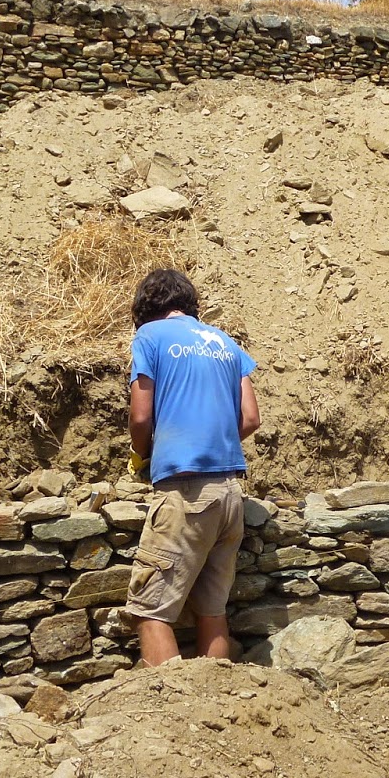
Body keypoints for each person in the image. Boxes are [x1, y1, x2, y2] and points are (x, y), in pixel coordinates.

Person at [125, 269, 261, 666]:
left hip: (185, 491)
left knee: (149, 609)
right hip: (230, 492)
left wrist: (141, 456)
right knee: (211, 610)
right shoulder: (225, 342)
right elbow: (251, 418)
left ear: (145, 309)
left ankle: (170, 701)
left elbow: (140, 416)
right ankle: (216, 698)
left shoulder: (149, 336)